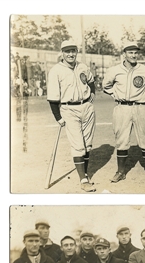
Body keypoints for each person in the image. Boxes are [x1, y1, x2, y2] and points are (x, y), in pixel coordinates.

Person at [103, 40, 145, 183]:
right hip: (122, 108)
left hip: (141, 107)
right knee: (121, 140)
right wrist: (116, 95)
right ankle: (120, 172)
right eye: (130, 52)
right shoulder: (114, 70)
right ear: (124, 54)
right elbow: (106, 86)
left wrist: (144, 96)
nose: (133, 55)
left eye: (135, 52)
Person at [47, 39, 97, 192]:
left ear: (76, 52)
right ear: (62, 53)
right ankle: (83, 180)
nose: (70, 54)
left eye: (73, 51)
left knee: (88, 144)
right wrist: (58, 118)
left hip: (87, 107)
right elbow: (53, 98)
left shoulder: (82, 66)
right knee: (78, 145)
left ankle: (86, 174)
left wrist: (92, 93)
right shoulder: (56, 70)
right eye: (67, 51)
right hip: (69, 109)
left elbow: (91, 81)